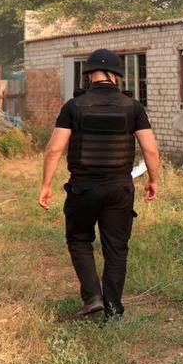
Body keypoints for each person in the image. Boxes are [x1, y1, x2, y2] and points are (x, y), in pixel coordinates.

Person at [38, 48, 160, 320]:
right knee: (116, 248)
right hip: (119, 189)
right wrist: (153, 180)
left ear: (88, 75)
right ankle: (113, 310)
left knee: (79, 239)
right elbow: (150, 150)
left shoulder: (74, 106)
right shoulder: (132, 107)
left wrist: (46, 185)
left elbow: (54, 149)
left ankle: (93, 296)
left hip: (83, 188)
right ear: (116, 76)